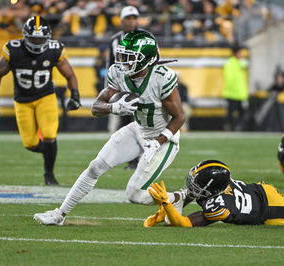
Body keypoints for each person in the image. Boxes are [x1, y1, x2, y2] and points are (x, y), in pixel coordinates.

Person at [33, 30, 186, 226]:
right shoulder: (119, 72)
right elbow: (96, 107)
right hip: (138, 129)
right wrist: (114, 107)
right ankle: (59, 214)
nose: (124, 62)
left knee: (135, 194)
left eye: (130, 58)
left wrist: (157, 142)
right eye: (123, 56)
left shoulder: (162, 77)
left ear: (145, 59)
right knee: (95, 166)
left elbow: (179, 117)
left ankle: (179, 197)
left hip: (164, 139)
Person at [0, 16, 81, 185]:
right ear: (25, 36)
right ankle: (50, 153)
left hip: (46, 97)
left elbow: (69, 74)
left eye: (41, 39)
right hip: (22, 100)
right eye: (33, 38)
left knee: (49, 135)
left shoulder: (54, 49)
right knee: (29, 143)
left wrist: (75, 95)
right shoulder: (14, 50)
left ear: (48, 38)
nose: (37, 42)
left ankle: (49, 174)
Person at [144, 160, 284, 228]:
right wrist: (167, 206)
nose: (192, 187)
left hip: (269, 211)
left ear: (211, 188)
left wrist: (167, 205)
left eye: (197, 182)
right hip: (265, 191)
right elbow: (188, 197)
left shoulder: (217, 206)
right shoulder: (222, 185)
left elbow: (184, 223)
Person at [106, 5, 141, 169]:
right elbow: (110, 66)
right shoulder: (115, 39)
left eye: (134, 18)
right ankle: (131, 160)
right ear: (121, 20)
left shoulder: (145, 37)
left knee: (142, 124)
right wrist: (109, 89)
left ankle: (144, 159)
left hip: (142, 87)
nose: (132, 21)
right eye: (128, 18)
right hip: (124, 89)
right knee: (125, 124)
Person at [222, 45, 249, 131]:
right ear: (236, 53)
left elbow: (246, 63)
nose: (242, 54)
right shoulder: (231, 63)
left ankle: (234, 128)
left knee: (236, 113)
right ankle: (232, 128)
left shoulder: (235, 63)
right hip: (233, 93)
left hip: (238, 94)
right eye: (240, 52)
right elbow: (230, 79)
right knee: (233, 114)